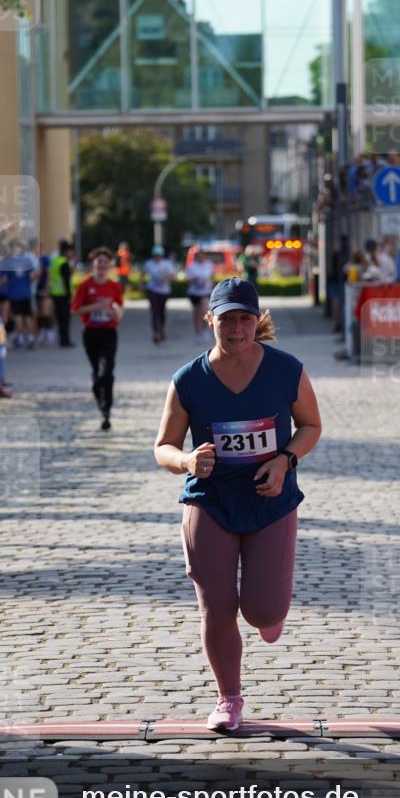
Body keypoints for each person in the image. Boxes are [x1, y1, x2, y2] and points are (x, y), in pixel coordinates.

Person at [154, 278, 322, 731]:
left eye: (245, 319)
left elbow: (310, 426)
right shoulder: (188, 380)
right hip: (210, 501)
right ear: (210, 320)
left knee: (263, 610)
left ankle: (268, 613)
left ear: (257, 320)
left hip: (270, 501)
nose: (236, 329)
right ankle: (228, 699)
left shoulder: (286, 370)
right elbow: (163, 447)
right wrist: (187, 460)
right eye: (226, 319)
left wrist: (284, 460)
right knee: (216, 606)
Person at [71, 248, 124, 431]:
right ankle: (99, 396)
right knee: (97, 373)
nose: (102, 265)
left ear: (109, 265)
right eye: (99, 261)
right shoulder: (85, 286)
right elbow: (75, 310)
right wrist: (96, 306)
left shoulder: (114, 286)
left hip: (109, 332)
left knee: (106, 372)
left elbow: (120, 308)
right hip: (91, 333)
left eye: (105, 262)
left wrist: (115, 313)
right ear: (93, 264)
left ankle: (106, 410)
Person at [142, 245, 176, 344]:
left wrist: (168, 275)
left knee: (161, 312)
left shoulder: (167, 264)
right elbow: (142, 274)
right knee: (154, 311)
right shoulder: (149, 264)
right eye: (155, 255)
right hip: (152, 290)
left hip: (164, 291)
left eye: (159, 255)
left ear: (162, 255)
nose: (157, 257)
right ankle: (156, 333)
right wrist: (142, 284)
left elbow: (174, 277)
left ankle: (161, 329)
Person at [49, 239, 75, 348]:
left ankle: (62, 339)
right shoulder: (64, 262)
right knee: (65, 319)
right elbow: (66, 280)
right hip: (63, 294)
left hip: (55, 293)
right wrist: (70, 295)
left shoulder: (55, 261)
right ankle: (65, 340)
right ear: (66, 251)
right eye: (71, 251)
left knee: (59, 318)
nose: (71, 253)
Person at [185, 249, 214, 339]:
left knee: (205, 310)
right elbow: (188, 281)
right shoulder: (192, 266)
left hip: (206, 292)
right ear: (196, 257)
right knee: (196, 313)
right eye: (198, 256)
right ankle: (198, 332)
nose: (200, 258)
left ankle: (205, 330)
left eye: (202, 256)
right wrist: (195, 279)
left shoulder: (209, 265)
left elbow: (212, 276)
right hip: (194, 292)